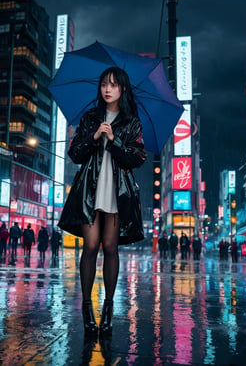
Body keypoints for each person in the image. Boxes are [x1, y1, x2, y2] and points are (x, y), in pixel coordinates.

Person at [58, 67, 146, 337]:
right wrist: (94, 137)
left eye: (113, 85)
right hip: (90, 191)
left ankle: (108, 309)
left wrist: (115, 140)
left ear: (123, 89)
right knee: (91, 246)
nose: (107, 89)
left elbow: (137, 157)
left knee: (110, 247)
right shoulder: (90, 117)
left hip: (117, 193)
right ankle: (87, 308)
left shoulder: (131, 121)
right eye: (104, 84)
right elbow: (75, 153)